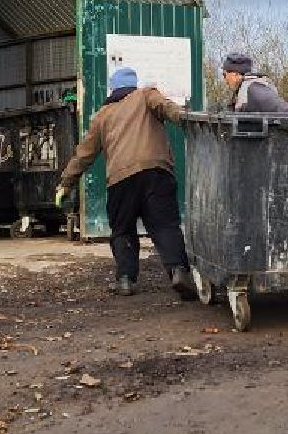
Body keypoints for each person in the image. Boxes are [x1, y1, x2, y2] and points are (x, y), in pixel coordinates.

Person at [56, 66, 195, 298]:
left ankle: (125, 280)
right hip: (156, 172)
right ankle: (178, 271)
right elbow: (166, 107)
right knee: (165, 226)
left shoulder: (102, 115)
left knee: (123, 230)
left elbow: (84, 155)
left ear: (113, 88)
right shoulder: (146, 95)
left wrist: (66, 183)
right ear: (133, 84)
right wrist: (185, 118)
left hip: (120, 179)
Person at [220, 52, 288, 114]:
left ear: (235, 74)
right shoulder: (242, 91)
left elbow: (286, 111)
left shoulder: (254, 90)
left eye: (225, 75)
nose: (225, 80)